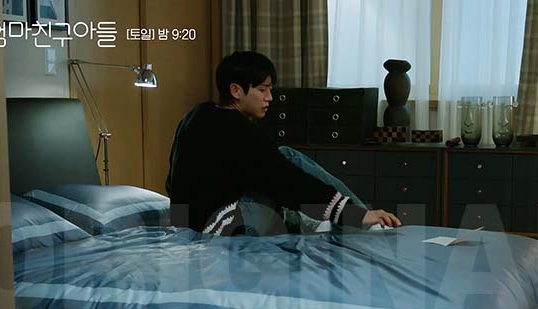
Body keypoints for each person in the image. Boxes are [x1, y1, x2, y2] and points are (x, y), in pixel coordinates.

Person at [166, 51, 400, 236]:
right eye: (262, 90)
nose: (269, 97)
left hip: (188, 224)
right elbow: (286, 179)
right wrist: (353, 213)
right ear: (236, 90)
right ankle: (366, 222)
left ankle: (317, 221)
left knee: (270, 179)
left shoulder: (196, 116)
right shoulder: (235, 127)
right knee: (287, 158)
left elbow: (172, 182)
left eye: (270, 90)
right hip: (221, 229)